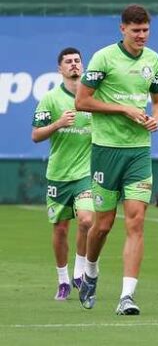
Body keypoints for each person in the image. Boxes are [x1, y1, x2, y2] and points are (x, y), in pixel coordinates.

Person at [75, 4, 158, 315]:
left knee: (137, 222)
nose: (141, 36)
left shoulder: (152, 59)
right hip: (106, 150)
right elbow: (82, 100)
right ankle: (90, 269)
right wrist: (123, 108)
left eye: (145, 30)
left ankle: (127, 296)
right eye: (136, 30)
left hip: (139, 151)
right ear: (122, 29)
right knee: (102, 225)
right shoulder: (104, 58)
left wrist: (156, 118)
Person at [32, 47, 93, 301]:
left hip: (86, 174)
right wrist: (57, 124)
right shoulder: (50, 99)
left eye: (77, 61)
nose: (74, 65)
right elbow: (35, 135)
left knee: (88, 221)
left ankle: (80, 271)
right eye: (68, 62)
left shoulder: (92, 98)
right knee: (60, 229)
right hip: (58, 175)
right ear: (60, 68)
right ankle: (63, 280)